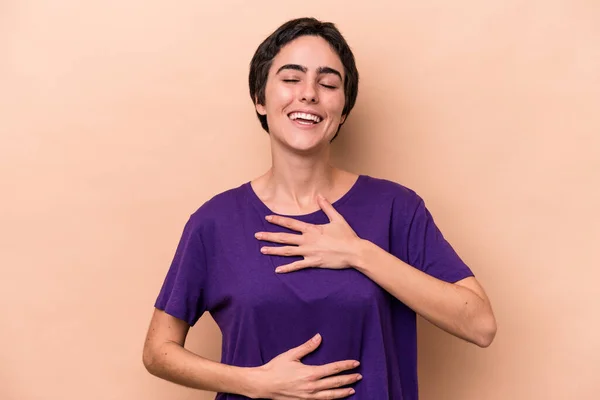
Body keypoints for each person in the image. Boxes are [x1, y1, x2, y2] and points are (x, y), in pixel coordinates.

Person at [142, 17, 497, 400]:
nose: (309, 94)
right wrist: (254, 382)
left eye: (328, 84)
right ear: (260, 99)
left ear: (343, 111)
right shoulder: (214, 222)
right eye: (291, 79)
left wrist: (358, 252)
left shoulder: (396, 208)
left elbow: (480, 325)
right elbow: (158, 352)